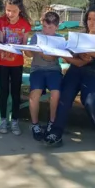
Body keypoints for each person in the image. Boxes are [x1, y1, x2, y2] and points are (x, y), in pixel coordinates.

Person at [46, 5, 95, 148]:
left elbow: (86, 60)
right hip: (75, 71)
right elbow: (72, 55)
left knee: (90, 100)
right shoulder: (80, 36)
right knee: (65, 95)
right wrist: (70, 56)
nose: (91, 23)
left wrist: (78, 56)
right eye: (89, 19)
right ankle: (56, 132)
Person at [0, 0, 32, 135]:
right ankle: (4, 120)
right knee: (3, 91)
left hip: (17, 63)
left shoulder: (25, 24)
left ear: (20, 10)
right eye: (8, 10)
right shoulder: (1, 22)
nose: (10, 14)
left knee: (16, 93)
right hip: (2, 63)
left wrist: (26, 49)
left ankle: (15, 121)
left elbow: (24, 46)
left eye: (14, 11)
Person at [25, 11, 63, 141]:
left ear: (56, 27)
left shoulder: (59, 39)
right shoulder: (36, 36)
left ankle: (52, 123)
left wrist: (41, 52)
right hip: (37, 70)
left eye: (50, 27)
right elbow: (29, 55)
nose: (46, 31)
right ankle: (35, 125)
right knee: (34, 94)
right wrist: (27, 49)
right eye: (44, 27)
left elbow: (52, 57)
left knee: (56, 93)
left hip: (54, 70)